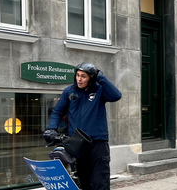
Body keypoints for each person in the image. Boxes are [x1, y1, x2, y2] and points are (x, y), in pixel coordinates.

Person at [44, 62, 122, 190]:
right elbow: (57, 111)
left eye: (83, 76)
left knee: (100, 182)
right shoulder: (69, 91)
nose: (79, 79)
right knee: (84, 182)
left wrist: (100, 77)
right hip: (78, 144)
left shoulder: (99, 89)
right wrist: (51, 128)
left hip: (98, 143)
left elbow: (116, 96)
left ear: (91, 78)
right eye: (78, 75)